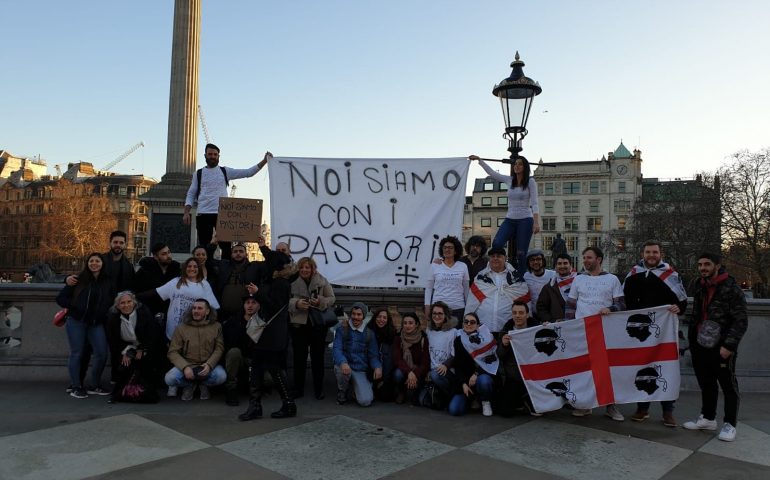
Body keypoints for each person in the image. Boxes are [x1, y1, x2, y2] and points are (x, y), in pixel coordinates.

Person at [683, 253, 748, 442]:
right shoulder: (698, 284)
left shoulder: (732, 288)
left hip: (721, 345)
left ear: (717, 265)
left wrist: (729, 345)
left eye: (707, 264)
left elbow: (741, 320)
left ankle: (730, 424)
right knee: (706, 382)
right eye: (700, 264)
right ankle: (708, 418)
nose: (703, 268)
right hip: (699, 343)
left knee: (728, 385)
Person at [623, 240, 688, 427]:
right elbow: (625, 301)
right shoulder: (634, 274)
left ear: (661, 254)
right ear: (642, 254)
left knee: (666, 368)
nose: (651, 255)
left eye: (655, 252)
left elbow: (682, 300)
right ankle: (642, 408)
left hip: (664, 331)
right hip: (642, 332)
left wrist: (679, 307)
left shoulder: (671, 274)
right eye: (648, 252)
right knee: (642, 368)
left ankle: (668, 411)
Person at [566, 246, 626, 420]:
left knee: (607, 370)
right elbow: (570, 306)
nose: (585, 260)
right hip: (582, 332)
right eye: (584, 257)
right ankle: (586, 405)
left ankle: (610, 406)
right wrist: (570, 328)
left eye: (589, 257)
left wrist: (610, 308)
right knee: (584, 369)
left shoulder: (612, 279)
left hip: (605, 331)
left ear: (599, 259)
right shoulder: (578, 279)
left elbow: (621, 305)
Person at [183, 143, 272, 261]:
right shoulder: (198, 174)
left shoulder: (225, 171)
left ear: (219, 156)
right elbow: (191, 193)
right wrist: (186, 212)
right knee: (204, 247)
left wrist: (264, 161)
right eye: (210, 154)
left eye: (215, 154)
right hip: (203, 214)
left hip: (223, 215)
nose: (213, 156)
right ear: (205, 155)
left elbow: (248, 173)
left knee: (226, 247)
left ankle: (225, 272)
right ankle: (206, 272)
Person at [239, 251, 296, 420]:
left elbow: (274, 305)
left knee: (274, 370)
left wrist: (257, 293)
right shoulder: (278, 280)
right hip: (269, 334)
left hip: (272, 334)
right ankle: (256, 405)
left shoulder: (280, 283)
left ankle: (288, 404)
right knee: (257, 368)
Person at [56, 253, 114, 399]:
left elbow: (112, 300)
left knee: (101, 353)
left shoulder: (107, 281)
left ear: (103, 264)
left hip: (96, 323)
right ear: (87, 263)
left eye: (97, 261)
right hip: (77, 321)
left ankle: (94, 384)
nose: (94, 263)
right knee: (77, 353)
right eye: (91, 261)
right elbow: (60, 298)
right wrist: (75, 307)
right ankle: (76, 386)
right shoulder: (78, 279)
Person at [470, 155, 540, 272]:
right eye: (515, 164)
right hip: (510, 219)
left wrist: (536, 222)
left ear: (525, 167)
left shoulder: (530, 181)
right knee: (497, 243)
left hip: (525, 219)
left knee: (521, 253)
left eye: (520, 164)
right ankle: (501, 269)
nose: (516, 166)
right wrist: (480, 160)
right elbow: (492, 173)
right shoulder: (509, 180)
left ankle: (521, 278)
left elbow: (535, 203)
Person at [288, 256, 336, 399]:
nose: (304, 270)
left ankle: (318, 389)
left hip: (317, 325)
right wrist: (296, 303)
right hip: (298, 324)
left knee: (317, 358)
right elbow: (284, 299)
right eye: (302, 267)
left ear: (313, 268)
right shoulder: (291, 281)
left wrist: (319, 301)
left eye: (307, 267)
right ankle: (298, 389)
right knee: (299, 358)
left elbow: (332, 298)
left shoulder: (322, 281)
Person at [104, 291, 164, 402]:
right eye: (122, 303)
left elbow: (151, 334)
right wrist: (127, 352)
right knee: (125, 364)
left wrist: (142, 349)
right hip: (125, 347)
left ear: (134, 302)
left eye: (129, 302)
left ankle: (145, 392)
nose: (126, 305)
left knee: (143, 362)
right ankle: (120, 393)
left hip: (145, 345)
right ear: (117, 305)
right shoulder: (113, 318)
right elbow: (113, 340)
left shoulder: (143, 312)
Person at [165, 299, 226, 401]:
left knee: (221, 376)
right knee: (169, 379)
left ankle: (203, 384)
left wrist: (209, 365)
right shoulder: (181, 328)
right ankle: (189, 385)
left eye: (199, 308)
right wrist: (185, 367)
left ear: (207, 311)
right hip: (189, 366)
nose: (195, 311)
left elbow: (219, 348)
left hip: (207, 365)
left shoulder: (216, 326)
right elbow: (173, 352)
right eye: (194, 308)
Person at [151, 258, 220, 342]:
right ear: (185, 268)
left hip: (194, 329)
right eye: (189, 266)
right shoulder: (175, 282)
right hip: (173, 328)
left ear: (199, 269)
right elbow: (157, 292)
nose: (192, 269)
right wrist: (136, 296)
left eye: (195, 266)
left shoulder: (204, 284)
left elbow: (213, 307)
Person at [464, 246, 529, 334]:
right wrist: (466, 324)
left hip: (509, 330)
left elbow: (526, 306)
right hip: (483, 330)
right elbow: (471, 305)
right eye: (492, 256)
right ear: (489, 259)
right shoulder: (480, 278)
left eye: (499, 256)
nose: (495, 258)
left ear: (505, 258)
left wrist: (527, 328)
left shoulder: (517, 279)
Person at [333, 302, 382, 407]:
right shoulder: (342, 329)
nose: (355, 317)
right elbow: (337, 349)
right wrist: (343, 362)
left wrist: (377, 366)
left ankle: (356, 390)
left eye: (359, 314)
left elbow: (373, 355)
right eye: (353, 314)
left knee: (366, 401)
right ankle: (343, 391)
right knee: (340, 368)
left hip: (360, 368)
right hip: (346, 366)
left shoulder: (369, 333)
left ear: (363, 316)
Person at [496, 301, 539, 416]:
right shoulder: (505, 331)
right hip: (514, 377)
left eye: (521, 312)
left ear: (527, 314)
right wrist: (504, 345)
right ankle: (521, 400)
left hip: (534, 377)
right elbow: (499, 356)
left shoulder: (537, 330)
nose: (517, 315)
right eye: (514, 313)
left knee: (541, 410)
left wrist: (547, 328)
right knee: (505, 412)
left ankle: (527, 399)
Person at [450, 312, 497, 416]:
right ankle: (470, 400)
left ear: (478, 325)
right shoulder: (459, 340)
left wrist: (476, 374)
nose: (469, 324)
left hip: (481, 376)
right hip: (466, 381)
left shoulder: (487, 338)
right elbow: (457, 365)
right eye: (466, 322)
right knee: (455, 410)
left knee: (484, 380)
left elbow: (491, 361)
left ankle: (485, 401)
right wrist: (463, 383)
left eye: (472, 322)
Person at [424, 235, 469, 325]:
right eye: (445, 247)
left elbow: (466, 289)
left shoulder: (463, 266)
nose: (447, 250)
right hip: (438, 310)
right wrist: (427, 306)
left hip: (458, 308)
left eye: (450, 248)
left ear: (456, 250)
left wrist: (468, 308)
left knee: (456, 337)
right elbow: (429, 288)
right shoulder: (435, 265)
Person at [134, 242, 181, 316]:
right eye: (164, 254)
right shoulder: (144, 271)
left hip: (170, 312)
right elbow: (136, 293)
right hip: (149, 312)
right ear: (156, 257)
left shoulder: (177, 269)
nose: (168, 256)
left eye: (169, 252)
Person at [392, 313, 430, 405]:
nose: (407, 326)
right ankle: (402, 392)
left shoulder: (423, 339)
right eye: (405, 323)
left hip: (418, 371)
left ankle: (416, 392)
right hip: (404, 369)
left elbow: (425, 363)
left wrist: (414, 373)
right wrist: (409, 372)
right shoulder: (398, 337)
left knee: (418, 401)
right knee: (397, 374)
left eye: (410, 323)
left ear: (416, 324)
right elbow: (397, 359)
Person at [215, 242, 261, 318]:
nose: (238, 253)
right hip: (223, 314)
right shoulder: (224, 265)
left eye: (241, 251)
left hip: (245, 315)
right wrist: (213, 244)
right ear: (231, 254)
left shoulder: (253, 267)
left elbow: (270, 263)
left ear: (246, 254)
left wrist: (262, 247)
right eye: (235, 251)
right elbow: (208, 260)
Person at [425, 301, 457, 403]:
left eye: (440, 313)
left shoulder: (453, 332)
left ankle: (449, 396)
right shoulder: (428, 331)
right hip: (432, 370)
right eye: (434, 313)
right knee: (421, 400)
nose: (437, 316)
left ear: (446, 315)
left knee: (435, 375)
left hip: (447, 371)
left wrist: (445, 365)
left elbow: (456, 354)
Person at [536, 253, 576, 324]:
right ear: (555, 266)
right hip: (558, 327)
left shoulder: (580, 282)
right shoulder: (548, 287)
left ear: (570, 265)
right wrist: (552, 321)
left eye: (565, 263)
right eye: (559, 263)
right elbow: (541, 308)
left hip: (577, 324)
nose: (562, 266)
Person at [368, 308, 396, 402]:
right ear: (375, 317)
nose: (381, 320)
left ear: (388, 320)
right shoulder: (369, 331)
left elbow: (390, 361)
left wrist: (384, 379)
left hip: (386, 372)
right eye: (379, 317)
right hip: (370, 368)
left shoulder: (391, 334)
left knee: (386, 398)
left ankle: (383, 384)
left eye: (384, 317)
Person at [523, 249, 555, 321]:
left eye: (538, 259)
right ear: (528, 263)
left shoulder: (553, 275)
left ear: (543, 261)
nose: (535, 262)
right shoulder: (526, 276)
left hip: (549, 315)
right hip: (533, 316)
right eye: (532, 260)